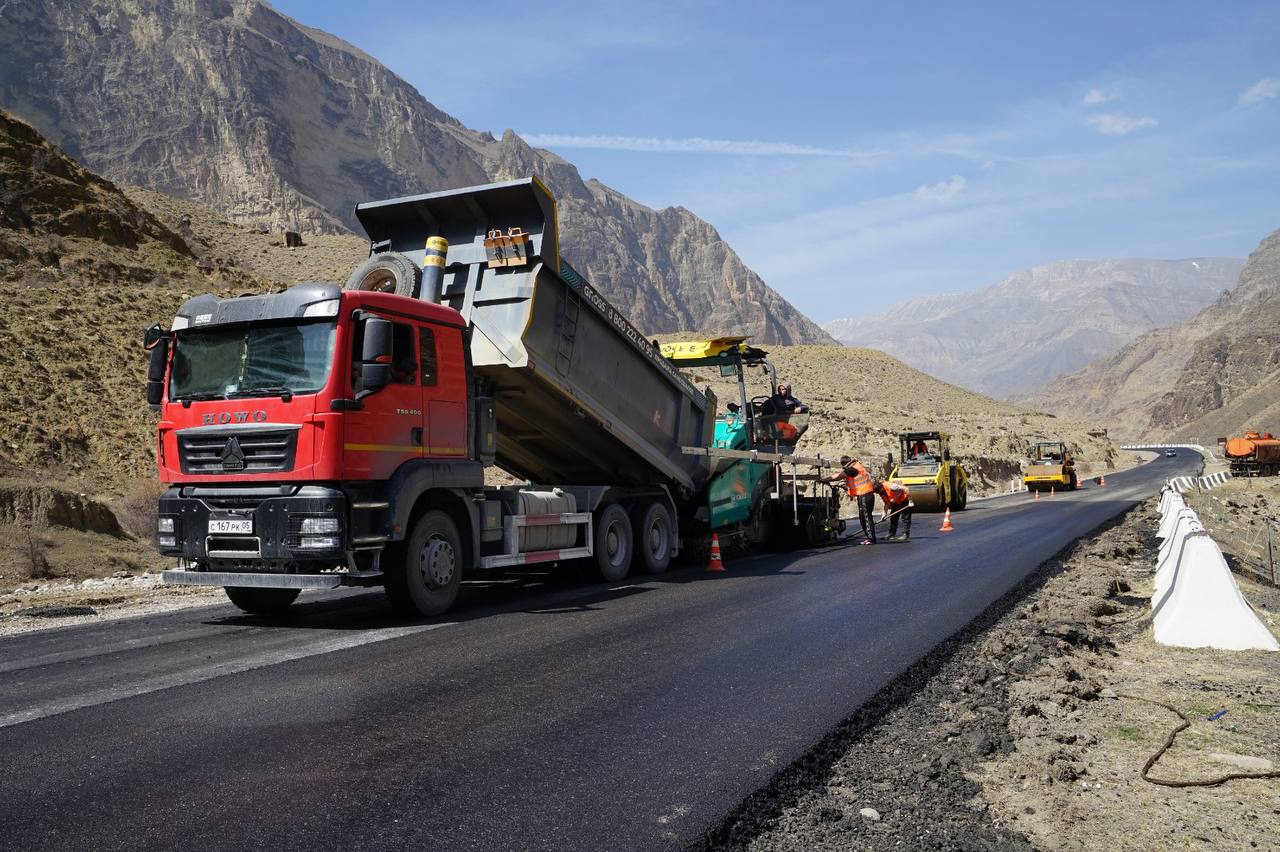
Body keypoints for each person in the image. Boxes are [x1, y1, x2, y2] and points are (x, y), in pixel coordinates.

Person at [826, 454, 876, 544]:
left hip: (865, 494)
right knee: (863, 518)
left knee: (866, 518)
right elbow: (853, 482)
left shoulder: (853, 468)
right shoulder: (855, 466)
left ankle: (871, 539)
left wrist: (825, 479)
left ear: (845, 464)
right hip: (863, 495)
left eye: (843, 466)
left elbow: (838, 476)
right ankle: (869, 538)